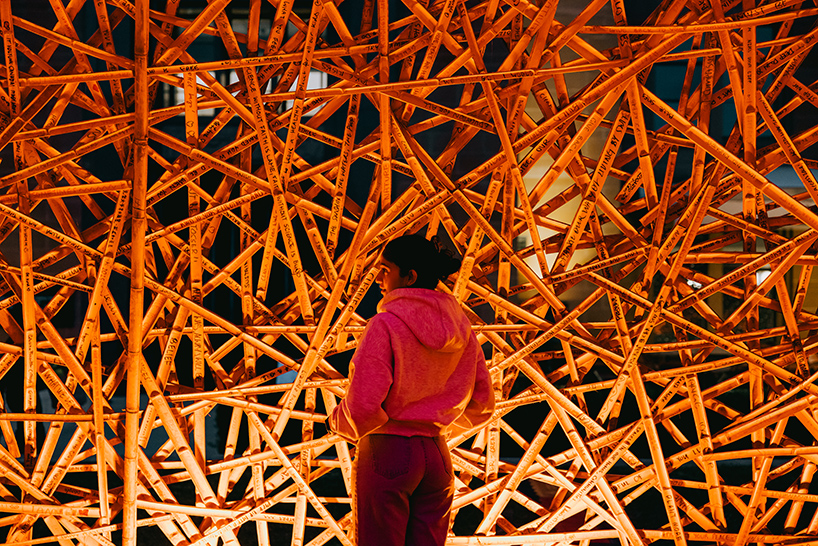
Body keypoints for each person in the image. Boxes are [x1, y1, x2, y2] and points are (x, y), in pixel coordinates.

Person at [328, 234, 495, 546]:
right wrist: (434, 422)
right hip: (437, 455)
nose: (378, 277)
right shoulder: (463, 329)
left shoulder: (385, 325)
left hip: (388, 452)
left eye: (385, 269)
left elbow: (363, 405)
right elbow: (483, 404)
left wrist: (337, 422)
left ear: (409, 276)